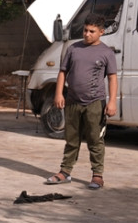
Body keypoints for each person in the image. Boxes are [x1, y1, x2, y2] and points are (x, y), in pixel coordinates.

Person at [45, 14, 119, 190]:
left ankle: (97, 175)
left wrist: (112, 102)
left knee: (95, 139)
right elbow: (63, 72)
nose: (87, 34)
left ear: (101, 32)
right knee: (71, 139)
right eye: (85, 30)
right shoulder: (73, 49)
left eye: (92, 31)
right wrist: (58, 94)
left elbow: (112, 78)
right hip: (72, 101)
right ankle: (65, 172)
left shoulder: (106, 52)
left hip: (95, 103)